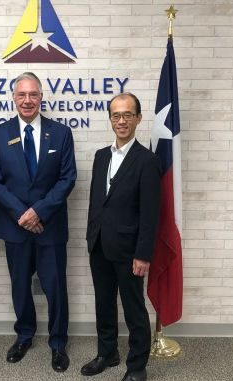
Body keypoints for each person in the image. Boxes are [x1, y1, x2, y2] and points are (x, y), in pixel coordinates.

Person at [0, 72, 77, 372]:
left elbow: (67, 178)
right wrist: (23, 216)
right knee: (20, 286)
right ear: (13, 98)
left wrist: (38, 212)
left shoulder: (61, 134)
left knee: (55, 287)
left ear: (41, 97)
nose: (27, 100)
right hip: (15, 227)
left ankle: (58, 343)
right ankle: (24, 335)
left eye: (33, 94)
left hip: (50, 226)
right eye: (22, 95)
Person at [82, 93, 161, 381]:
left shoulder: (147, 161)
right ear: (110, 119)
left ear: (139, 118)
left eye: (128, 114)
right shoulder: (101, 156)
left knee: (134, 311)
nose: (122, 120)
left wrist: (144, 254)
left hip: (130, 250)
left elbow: (151, 214)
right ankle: (107, 353)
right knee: (103, 304)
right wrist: (92, 235)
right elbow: (96, 201)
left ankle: (137, 367)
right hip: (100, 245)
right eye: (116, 115)